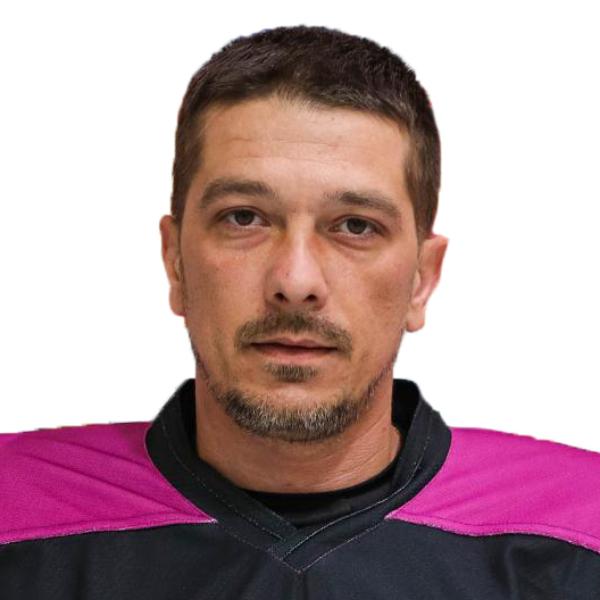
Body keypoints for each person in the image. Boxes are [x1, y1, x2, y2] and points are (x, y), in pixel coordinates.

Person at [1, 24, 599, 599]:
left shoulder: (579, 529)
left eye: (355, 226)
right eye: (244, 217)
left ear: (422, 279)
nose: (295, 282)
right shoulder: (16, 517)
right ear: (175, 262)